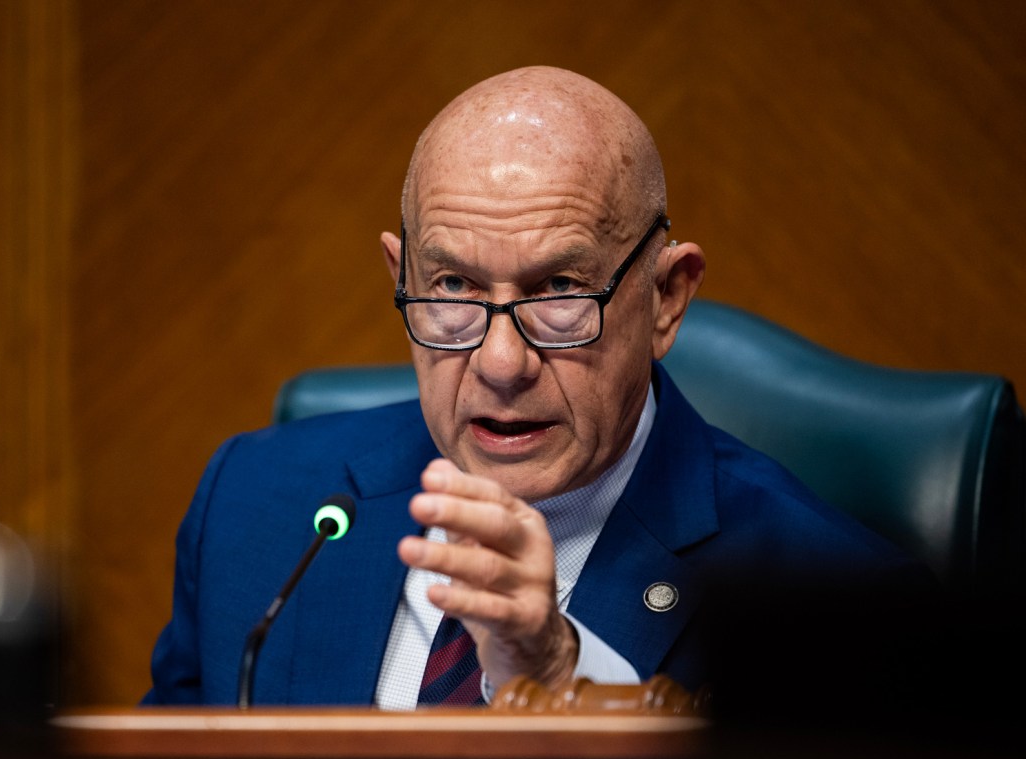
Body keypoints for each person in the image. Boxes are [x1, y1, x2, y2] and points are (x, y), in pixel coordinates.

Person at [143, 66, 928, 710]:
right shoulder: (256, 506)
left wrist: (560, 673)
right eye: (452, 286)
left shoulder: (832, 602)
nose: (501, 362)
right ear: (401, 277)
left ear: (666, 299)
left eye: (558, 290)